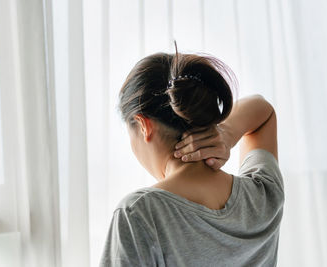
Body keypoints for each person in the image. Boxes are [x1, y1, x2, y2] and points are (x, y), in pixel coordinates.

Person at [99, 43, 285, 267]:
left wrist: (222, 133)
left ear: (143, 125)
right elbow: (262, 111)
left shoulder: (139, 213)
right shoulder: (261, 195)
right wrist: (225, 133)